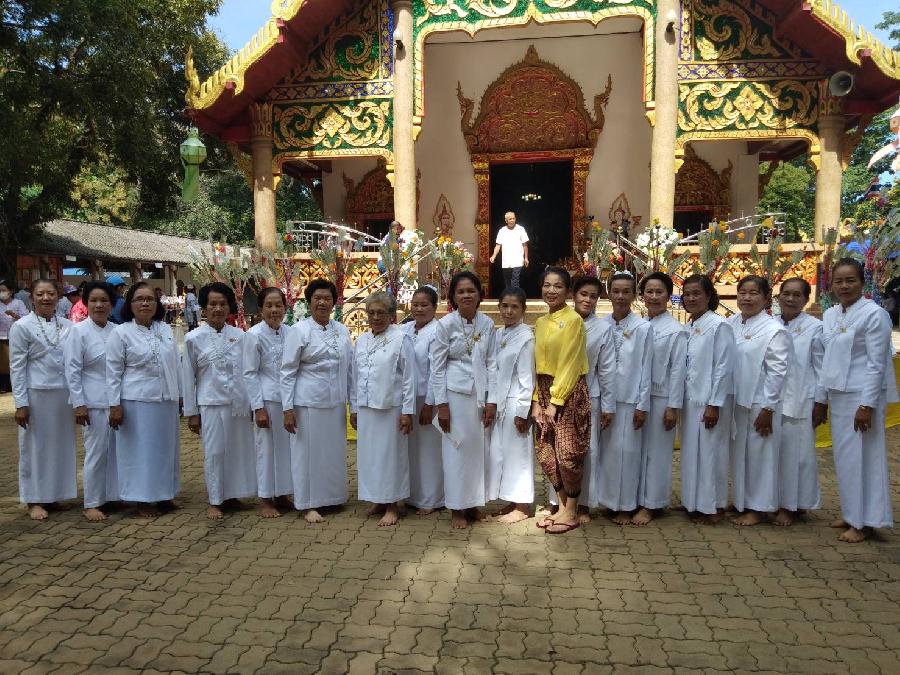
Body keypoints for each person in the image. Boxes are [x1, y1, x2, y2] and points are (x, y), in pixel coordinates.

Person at [815, 258, 897, 543]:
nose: (844, 286)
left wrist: (867, 405)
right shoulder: (831, 314)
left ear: (862, 282)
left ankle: (866, 522)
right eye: (838, 281)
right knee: (846, 458)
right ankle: (852, 513)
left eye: (850, 280)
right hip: (839, 395)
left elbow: (877, 363)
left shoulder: (874, 315)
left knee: (865, 458)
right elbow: (827, 359)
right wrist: (822, 399)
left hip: (863, 397)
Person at [281, 278, 353, 524]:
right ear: (309, 302)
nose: (322, 303)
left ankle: (332, 497)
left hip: (335, 403)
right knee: (307, 455)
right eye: (317, 298)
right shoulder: (298, 331)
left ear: (334, 302)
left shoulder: (341, 330)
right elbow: (287, 371)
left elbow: (350, 369)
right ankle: (308, 503)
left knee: (332, 453)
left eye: (327, 299)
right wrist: (287, 408)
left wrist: (353, 405)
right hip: (307, 404)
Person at [107, 281, 181, 518]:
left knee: (165, 450)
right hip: (136, 401)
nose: (145, 303)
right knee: (140, 452)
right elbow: (113, 372)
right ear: (130, 304)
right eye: (139, 299)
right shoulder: (121, 333)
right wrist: (114, 404)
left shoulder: (164, 329)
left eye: (149, 299)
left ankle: (164, 494)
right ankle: (142, 499)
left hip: (165, 400)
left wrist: (179, 394)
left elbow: (175, 364)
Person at [183, 282, 256, 520]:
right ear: (204, 308)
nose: (217, 309)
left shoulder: (240, 336)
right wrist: (191, 412)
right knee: (214, 452)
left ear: (229, 307)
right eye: (212, 304)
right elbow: (188, 377)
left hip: (238, 404)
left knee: (237, 451)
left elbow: (248, 372)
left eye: (222, 304)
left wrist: (253, 404)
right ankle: (215, 500)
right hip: (210, 403)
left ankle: (233, 495)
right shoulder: (193, 338)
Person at [432, 271, 497, 529]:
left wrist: (491, 401)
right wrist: (441, 405)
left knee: (477, 452)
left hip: (479, 396)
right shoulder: (445, 324)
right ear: (453, 297)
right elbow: (437, 367)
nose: (466, 295)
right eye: (461, 291)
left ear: (480, 294)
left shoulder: (487, 323)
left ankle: (472, 503)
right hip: (454, 397)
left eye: (471, 290)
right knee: (455, 450)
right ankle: (456, 507)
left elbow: (492, 363)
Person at [9, 279, 76, 520]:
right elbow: (17, 367)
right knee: (35, 448)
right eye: (40, 294)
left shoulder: (68, 325)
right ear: (32, 298)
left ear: (58, 297)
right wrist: (21, 403)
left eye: (50, 294)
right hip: (36, 394)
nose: (46, 298)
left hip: (63, 394)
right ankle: (34, 499)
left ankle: (54, 495)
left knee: (60, 447)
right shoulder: (22, 327)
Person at [727, 275, 790, 527]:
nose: (747, 298)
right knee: (740, 455)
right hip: (736, 400)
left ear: (766, 298)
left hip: (760, 402)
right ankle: (742, 500)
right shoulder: (732, 323)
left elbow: (777, 372)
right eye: (742, 292)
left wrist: (768, 407)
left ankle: (758, 507)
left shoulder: (774, 330)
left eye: (753, 293)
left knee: (760, 456)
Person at [349, 291, 416, 527]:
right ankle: (377, 499)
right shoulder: (362, 340)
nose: (376, 317)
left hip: (391, 408)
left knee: (390, 458)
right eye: (371, 313)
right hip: (367, 408)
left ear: (391, 315)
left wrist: (407, 411)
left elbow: (409, 378)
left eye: (381, 313)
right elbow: (355, 376)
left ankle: (392, 505)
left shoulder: (401, 339)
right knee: (370, 457)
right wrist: (354, 408)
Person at [532, 266, 590, 534]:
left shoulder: (574, 320)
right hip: (544, 390)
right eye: (547, 285)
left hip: (567, 391)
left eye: (557, 286)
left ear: (568, 291)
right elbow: (538, 365)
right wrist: (537, 400)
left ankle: (572, 510)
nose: (551, 290)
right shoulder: (541, 323)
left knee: (568, 452)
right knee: (546, 451)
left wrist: (556, 401)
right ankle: (563, 506)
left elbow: (570, 362)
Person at [596, 272, 652, 525]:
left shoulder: (643, 328)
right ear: (608, 293)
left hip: (630, 400)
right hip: (604, 400)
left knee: (627, 454)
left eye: (626, 291)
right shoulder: (602, 325)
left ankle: (626, 506)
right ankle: (609, 502)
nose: (620, 296)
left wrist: (642, 405)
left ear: (634, 295)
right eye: (616, 291)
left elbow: (646, 368)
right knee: (608, 454)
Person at [680, 274, 734, 525]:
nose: (691, 298)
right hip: (691, 400)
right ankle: (694, 502)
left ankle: (714, 505)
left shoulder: (719, 325)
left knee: (712, 453)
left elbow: (724, 367)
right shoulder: (689, 326)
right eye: (687, 294)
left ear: (709, 296)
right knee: (693, 454)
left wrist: (715, 404)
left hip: (710, 401)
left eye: (696, 294)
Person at [64, 281, 119, 521]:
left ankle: (112, 495)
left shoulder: (117, 330)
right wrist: (79, 404)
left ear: (112, 304)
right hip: (92, 402)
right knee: (96, 452)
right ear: (86, 303)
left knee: (115, 451)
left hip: (117, 401)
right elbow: (72, 370)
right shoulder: (78, 331)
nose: (99, 305)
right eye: (94, 300)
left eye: (104, 300)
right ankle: (92, 502)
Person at [635, 272, 687, 526]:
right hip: (639, 398)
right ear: (642, 295)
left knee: (657, 453)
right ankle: (637, 498)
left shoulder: (675, 330)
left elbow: (678, 370)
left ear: (668, 296)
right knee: (639, 451)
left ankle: (652, 503)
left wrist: (673, 406)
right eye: (649, 292)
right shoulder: (640, 325)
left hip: (662, 397)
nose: (654, 297)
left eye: (659, 292)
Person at [776, 277, 823, 527]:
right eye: (786, 294)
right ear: (778, 296)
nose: (791, 299)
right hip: (772, 399)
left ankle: (792, 505)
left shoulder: (815, 328)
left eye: (797, 295)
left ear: (806, 300)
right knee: (775, 454)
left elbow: (822, 367)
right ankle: (773, 499)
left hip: (802, 398)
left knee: (798, 456)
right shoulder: (771, 323)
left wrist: (821, 401)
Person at [243, 286, 293, 518]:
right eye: (269, 306)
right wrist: (258, 408)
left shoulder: (290, 332)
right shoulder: (253, 335)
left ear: (285, 307)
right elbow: (249, 373)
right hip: (267, 400)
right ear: (261, 309)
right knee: (265, 450)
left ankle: (282, 494)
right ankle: (265, 499)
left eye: (278, 305)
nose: (274, 310)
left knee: (285, 450)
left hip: (287, 400)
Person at [488, 286, 536, 524]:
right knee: (503, 453)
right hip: (500, 402)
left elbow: (527, 377)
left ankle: (523, 505)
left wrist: (523, 410)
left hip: (516, 402)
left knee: (519, 454)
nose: (508, 311)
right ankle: (510, 499)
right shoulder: (499, 334)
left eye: (514, 307)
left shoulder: (526, 337)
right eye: (505, 306)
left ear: (523, 310)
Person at [401, 285, 444, 514]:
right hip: (408, 399)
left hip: (429, 400)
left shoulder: (438, 331)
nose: (419, 309)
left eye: (424, 305)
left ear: (434, 307)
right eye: (415, 304)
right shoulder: (405, 329)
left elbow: (437, 370)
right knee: (411, 450)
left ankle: (431, 499)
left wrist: (430, 403)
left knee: (429, 450)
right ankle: (412, 495)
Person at [0, 279, 28, 393]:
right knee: (3, 361)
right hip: (1, 337)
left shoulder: (18, 303)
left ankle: (15, 384)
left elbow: (26, 318)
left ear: (11, 291)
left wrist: (14, 315)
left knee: (15, 361)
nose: (1, 293)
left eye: (3, 290)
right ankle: (4, 384)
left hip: (15, 337)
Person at [489, 211, 530, 290]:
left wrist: (526, 258)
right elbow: (498, 245)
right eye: (510, 219)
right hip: (506, 260)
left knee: (515, 281)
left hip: (518, 260)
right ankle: (508, 296)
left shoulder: (521, 229)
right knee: (507, 281)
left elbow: (525, 245)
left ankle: (515, 296)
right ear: (506, 220)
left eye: (513, 218)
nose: (512, 220)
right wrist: (493, 256)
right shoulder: (502, 231)